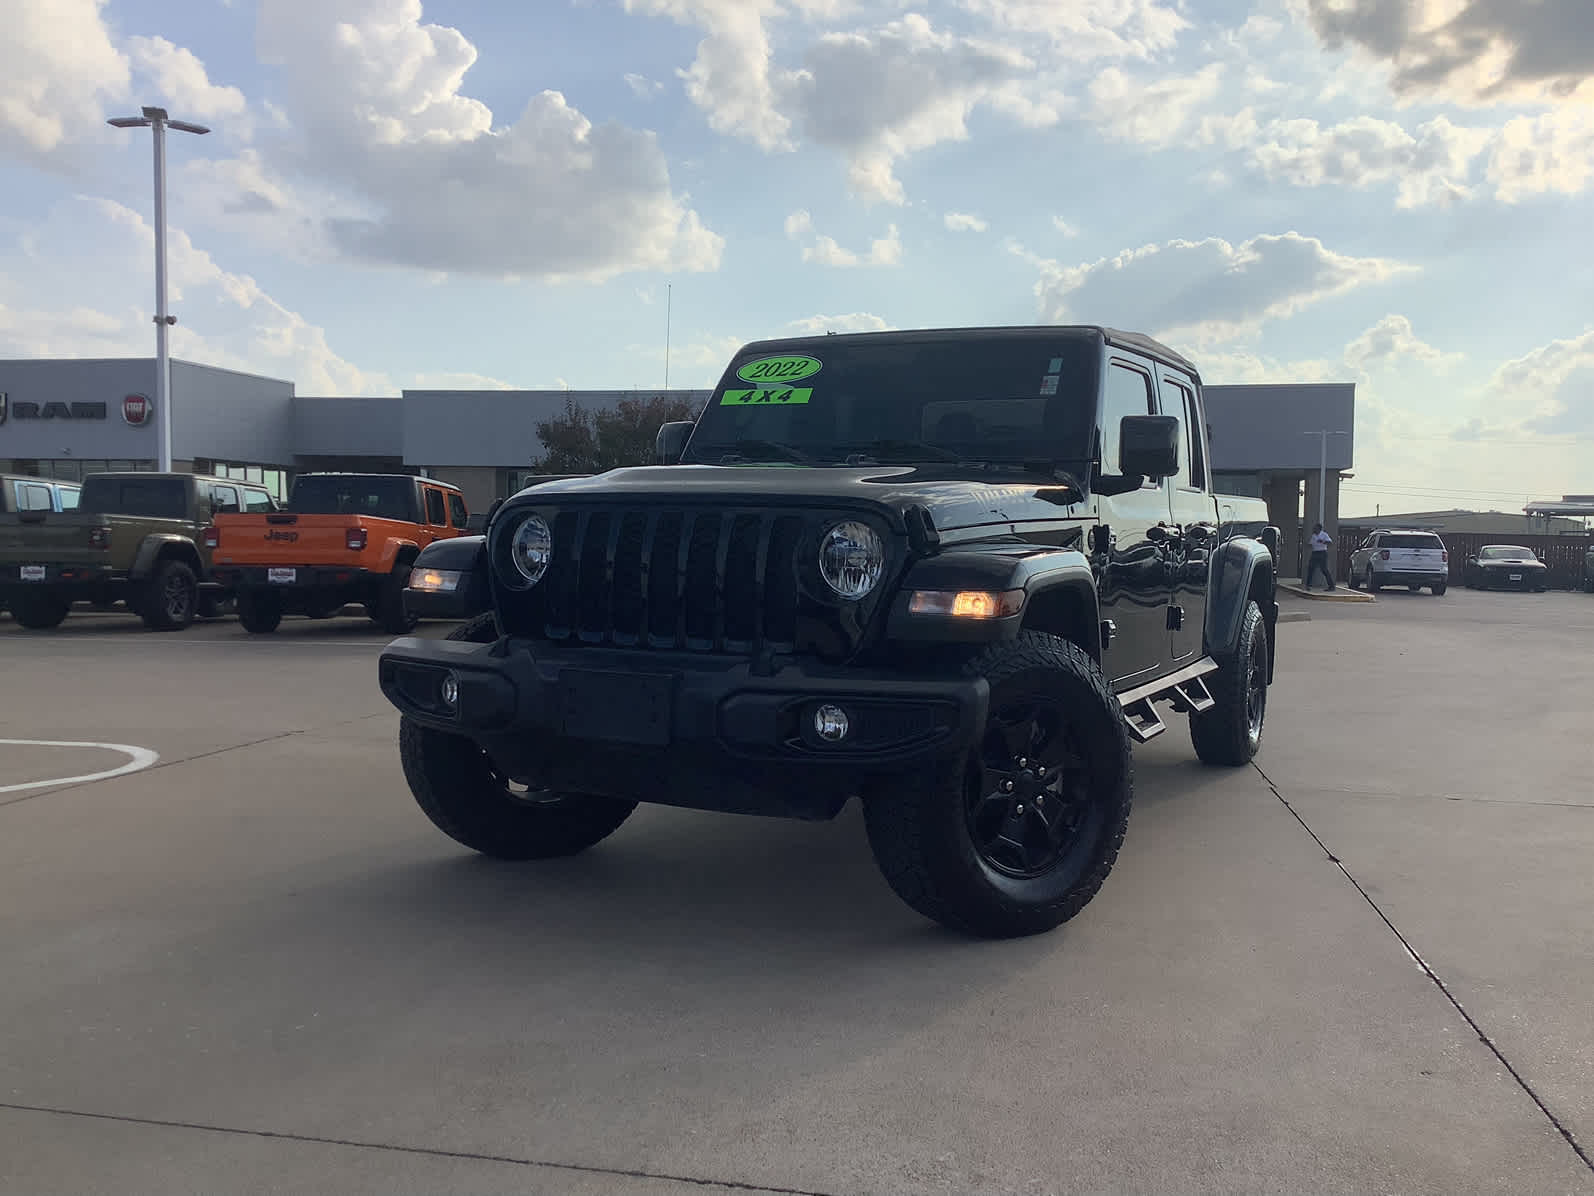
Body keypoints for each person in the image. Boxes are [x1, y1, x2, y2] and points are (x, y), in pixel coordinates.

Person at [1306, 522, 1334, 590]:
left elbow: (1330, 543)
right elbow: (1311, 544)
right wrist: (1307, 545)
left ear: (1319, 529)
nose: (1313, 529)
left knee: (1324, 570)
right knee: (1310, 568)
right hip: (1314, 553)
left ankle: (1331, 586)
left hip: (1322, 553)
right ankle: (1308, 585)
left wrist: (1323, 541)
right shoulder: (1313, 536)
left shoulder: (1324, 535)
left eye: (1315, 528)